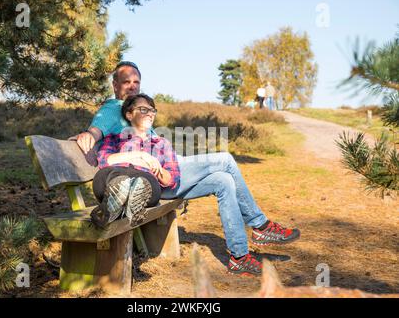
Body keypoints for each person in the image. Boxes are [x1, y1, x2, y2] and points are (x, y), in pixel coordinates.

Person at [75, 61, 300, 277]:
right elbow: (97, 129)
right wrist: (89, 135)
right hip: (147, 178)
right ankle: (260, 225)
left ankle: (239, 257)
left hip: (165, 172)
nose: (132, 86)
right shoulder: (113, 108)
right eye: (126, 82)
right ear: (115, 85)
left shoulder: (138, 111)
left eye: (136, 82)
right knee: (226, 160)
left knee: (224, 180)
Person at [91, 93, 180, 228]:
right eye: (144, 110)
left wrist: (157, 169)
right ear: (129, 115)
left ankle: (112, 209)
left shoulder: (162, 143)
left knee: (144, 183)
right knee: (111, 177)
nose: (150, 114)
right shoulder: (115, 138)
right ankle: (127, 202)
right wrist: (141, 156)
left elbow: (171, 180)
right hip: (112, 177)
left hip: (146, 180)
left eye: (152, 111)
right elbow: (104, 161)